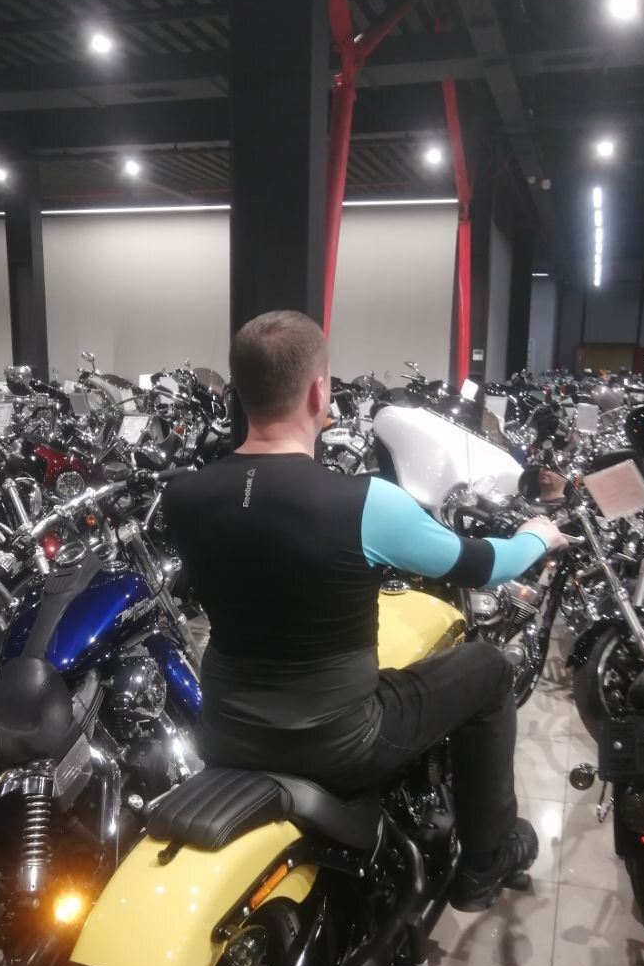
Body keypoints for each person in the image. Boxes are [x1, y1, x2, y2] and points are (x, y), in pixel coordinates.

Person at [163, 311, 568, 911]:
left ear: (239, 390)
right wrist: (538, 535)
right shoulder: (366, 503)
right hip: (340, 743)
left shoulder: (183, 494)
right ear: (318, 392)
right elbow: (484, 565)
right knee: (488, 668)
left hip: (223, 732)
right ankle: (484, 861)